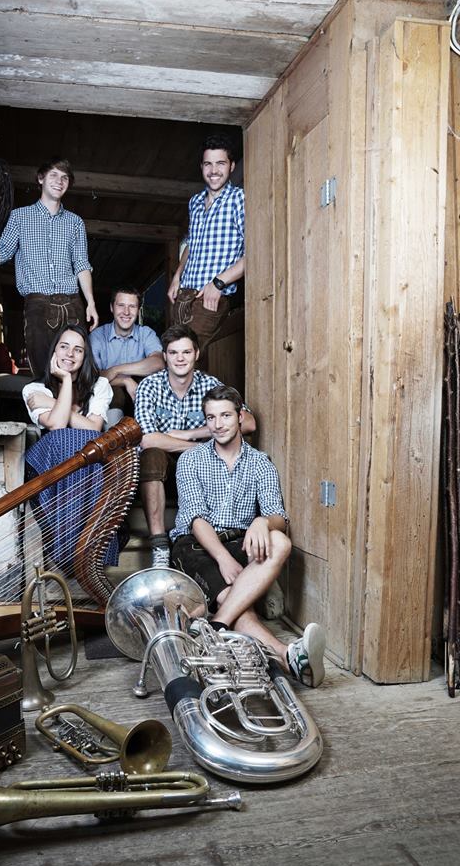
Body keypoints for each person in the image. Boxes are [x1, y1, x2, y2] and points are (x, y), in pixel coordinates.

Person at [170, 384, 326, 687]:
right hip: (196, 545)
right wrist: (223, 558)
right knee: (236, 599)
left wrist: (261, 522)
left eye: (226, 416)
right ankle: (286, 655)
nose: (218, 424)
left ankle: (217, 623)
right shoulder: (191, 460)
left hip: (241, 540)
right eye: (211, 417)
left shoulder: (260, 462)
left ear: (241, 417)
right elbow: (196, 520)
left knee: (280, 541)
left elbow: (278, 517)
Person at [134, 323, 256, 567]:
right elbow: (147, 439)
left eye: (186, 352)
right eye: (173, 353)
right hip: (162, 470)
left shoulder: (210, 384)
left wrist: (191, 434)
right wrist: (197, 445)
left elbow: (249, 422)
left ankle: (216, 537)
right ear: (165, 356)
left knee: (220, 454)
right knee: (152, 455)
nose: (180, 359)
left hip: (202, 468)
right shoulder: (150, 385)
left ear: (196, 354)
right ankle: (159, 546)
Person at [0, 157, 98, 378]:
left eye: (65, 177)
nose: (59, 181)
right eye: (53, 175)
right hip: (38, 303)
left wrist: (91, 303)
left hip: (72, 304)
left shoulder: (75, 222)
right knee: (43, 371)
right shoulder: (19, 217)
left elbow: (81, 264)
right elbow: (0, 255)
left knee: (76, 371)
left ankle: (72, 402)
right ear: (41, 178)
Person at [21, 324, 117, 574]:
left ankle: (88, 551)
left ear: (85, 356)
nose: (70, 354)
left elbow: (94, 430)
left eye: (78, 350)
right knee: (63, 439)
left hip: (90, 469)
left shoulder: (100, 385)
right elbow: (56, 425)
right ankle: (66, 553)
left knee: (90, 445)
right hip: (51, 466)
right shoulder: (34, 390)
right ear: (54, 350)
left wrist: (52, 402)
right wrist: (64, 381)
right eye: (64, 347)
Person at [167, 134, 244, 366]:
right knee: (177, 357)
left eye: (220, 163)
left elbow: (255, 253)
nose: (214, 171)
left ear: (231, 166)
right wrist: (177, 276)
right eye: (208, 164)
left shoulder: (240, 199)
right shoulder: (195, 202)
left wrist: (218, 283)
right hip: (183, 296)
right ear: (201, 167)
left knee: (182, 357)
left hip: (210, 296)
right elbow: (192, 244)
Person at [89, 286, 163, 415]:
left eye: (132, 306)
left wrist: (115, 370)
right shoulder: (97, 336)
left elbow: (158, 363)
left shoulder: (146, 333)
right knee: (113, 392)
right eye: (121, 305)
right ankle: (114, 429)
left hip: (140, 395)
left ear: (138, 310)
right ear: (112, 308)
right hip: (110, 399)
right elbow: (93, 377)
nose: (126, 312)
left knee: (151, 387)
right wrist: (125, 380)